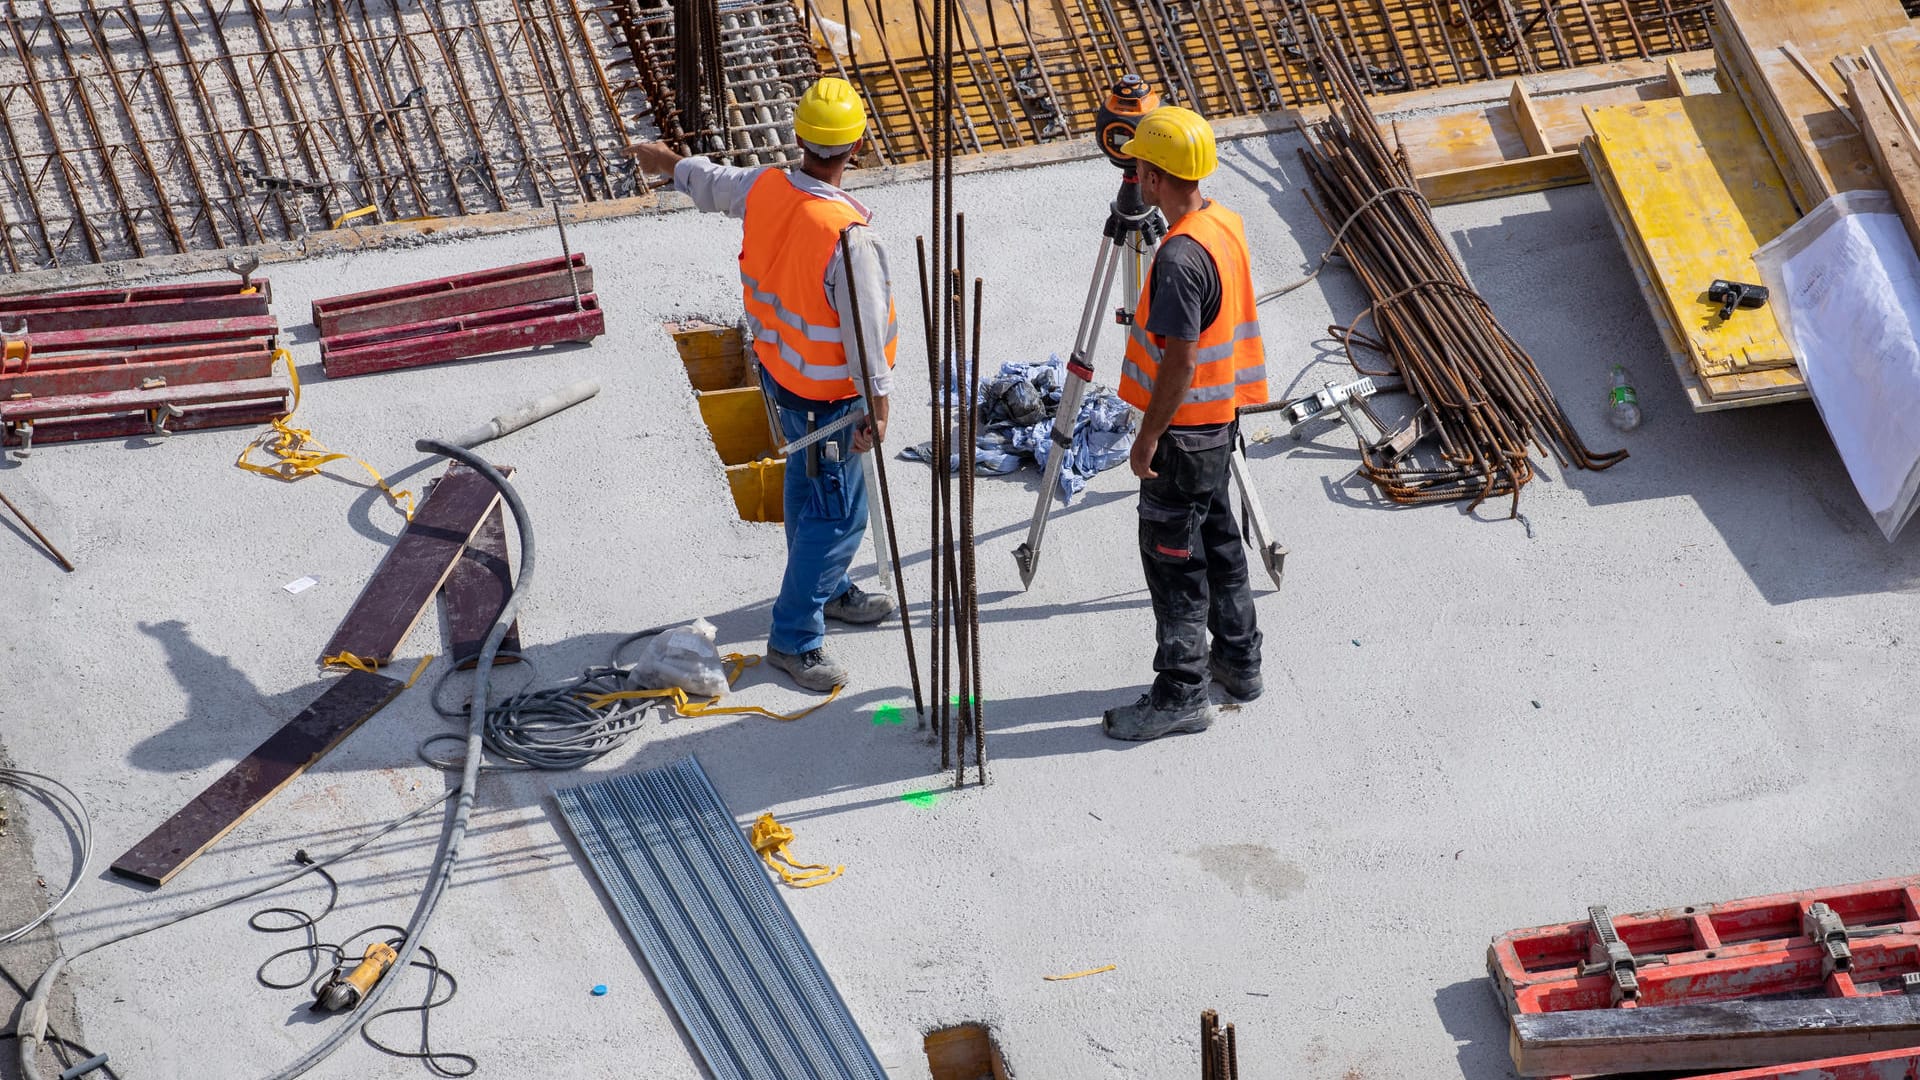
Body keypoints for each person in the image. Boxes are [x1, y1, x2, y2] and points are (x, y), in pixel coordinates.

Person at [627, 77, 897, 693]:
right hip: (831, 398)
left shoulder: (768, 188)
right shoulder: (850, 237)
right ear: (855, 146)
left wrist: (666, 161)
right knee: (839, 517)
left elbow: (711, 181)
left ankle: (827, 588)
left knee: (807, 490)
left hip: (784, 381)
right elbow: (862, 336)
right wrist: (877, 408)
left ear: (800, 138)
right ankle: (795, 638)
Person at [1103, 105, 1268, 742]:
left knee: (1173, 562)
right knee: (1222, 541)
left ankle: (1181, 693)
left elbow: (1180, 359)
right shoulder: (1223, 222)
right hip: (1218, 425)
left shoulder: (1175, 259)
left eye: (1139, 168)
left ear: (1149, 176)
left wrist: (1147, 437)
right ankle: (1239, 660)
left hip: (1181, 433)